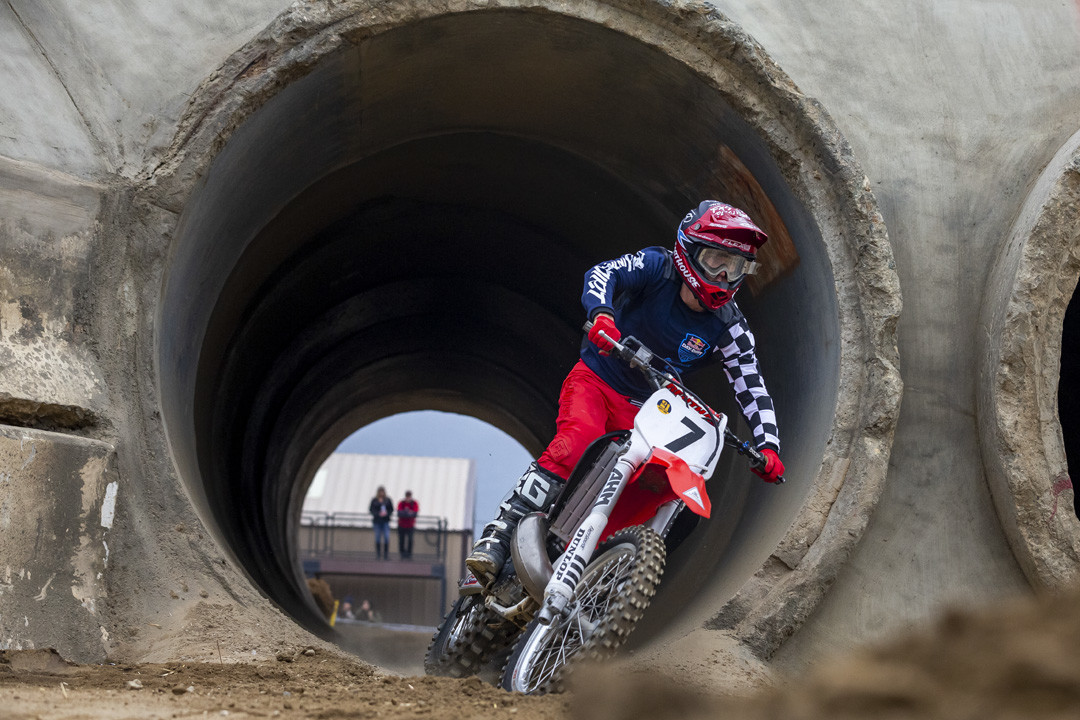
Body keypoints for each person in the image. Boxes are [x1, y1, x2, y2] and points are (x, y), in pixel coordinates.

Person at [466, 200, 785, 587]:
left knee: (652, 491)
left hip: (649, 412)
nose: (722, 275)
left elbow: (751, 382)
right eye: (716, 260)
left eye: (734, 266)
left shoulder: (730, 325)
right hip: (597, 382)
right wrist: (602, 315)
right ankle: (498, 537)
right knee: (575, 444)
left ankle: (589, 574)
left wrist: (768, 444)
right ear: (689, 251)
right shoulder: (657, 266)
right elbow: (603, 274)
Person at [369, 486, 394, 559]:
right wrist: (378, 513)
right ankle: (378, 555)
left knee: (386, 537)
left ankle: (386, 555)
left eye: (382, 492)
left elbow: (391, 509)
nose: (381, 493)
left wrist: (386, 514)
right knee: (377, 538)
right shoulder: (374, 500)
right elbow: (371, 509)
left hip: (385, 521)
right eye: (380, 492)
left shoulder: (387, 500)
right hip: (377, 521)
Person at [396, 490, 419, 559]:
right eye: (407, 496)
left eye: (409, 496)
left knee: (410, 540)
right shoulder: (401, 503)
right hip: (401, 525)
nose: (408, 498)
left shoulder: (414, 503)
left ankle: (409, 554)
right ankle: (402, 554)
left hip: (410, 525)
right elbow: (399, 513)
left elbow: (415, 513)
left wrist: (406, 513)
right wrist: (408, 513)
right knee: (401, 540)